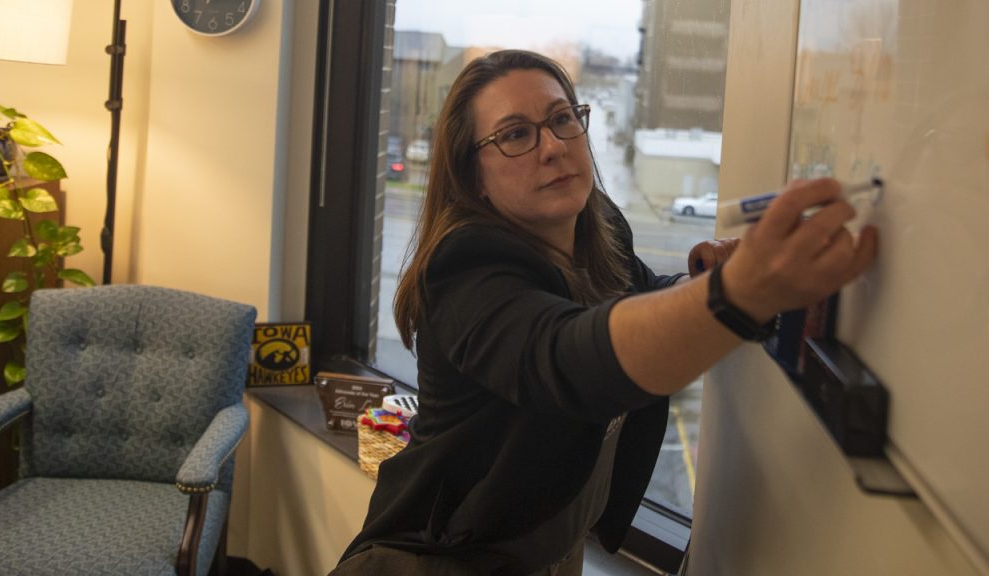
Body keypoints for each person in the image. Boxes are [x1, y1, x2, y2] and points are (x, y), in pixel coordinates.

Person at [332, 50, 877, 575]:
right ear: (472, 174)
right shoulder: (462, 269)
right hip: (444, 559)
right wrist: (734, 295)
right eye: (516, 134)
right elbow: (567, 356)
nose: (552, 147)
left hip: (548, 549)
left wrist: (700, 278)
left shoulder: (598, 224)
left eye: (562, 119)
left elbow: (632, 297)